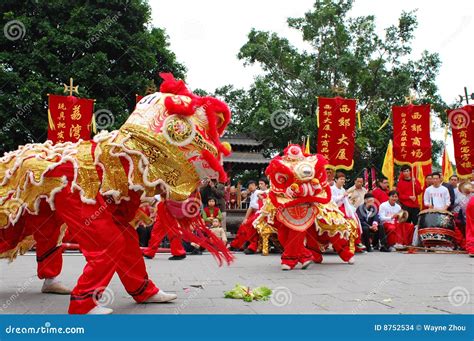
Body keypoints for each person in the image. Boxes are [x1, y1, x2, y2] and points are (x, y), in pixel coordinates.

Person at [142, 196, 187, 261]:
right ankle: (150, 252)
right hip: (161, 205)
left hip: (166, 204)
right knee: (156, 230)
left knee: (172, 231)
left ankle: (179, 252)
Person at [331, 172, 365, 252]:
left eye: (343, 179)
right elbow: (332, 200)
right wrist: (342, 196)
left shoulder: (343, 189)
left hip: (343, 208)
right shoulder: (331, 189)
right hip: (334, 209)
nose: (343, 181)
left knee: (354, 218)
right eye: (341, 179)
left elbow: (346, 202)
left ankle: (356, 241)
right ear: (336, 180)